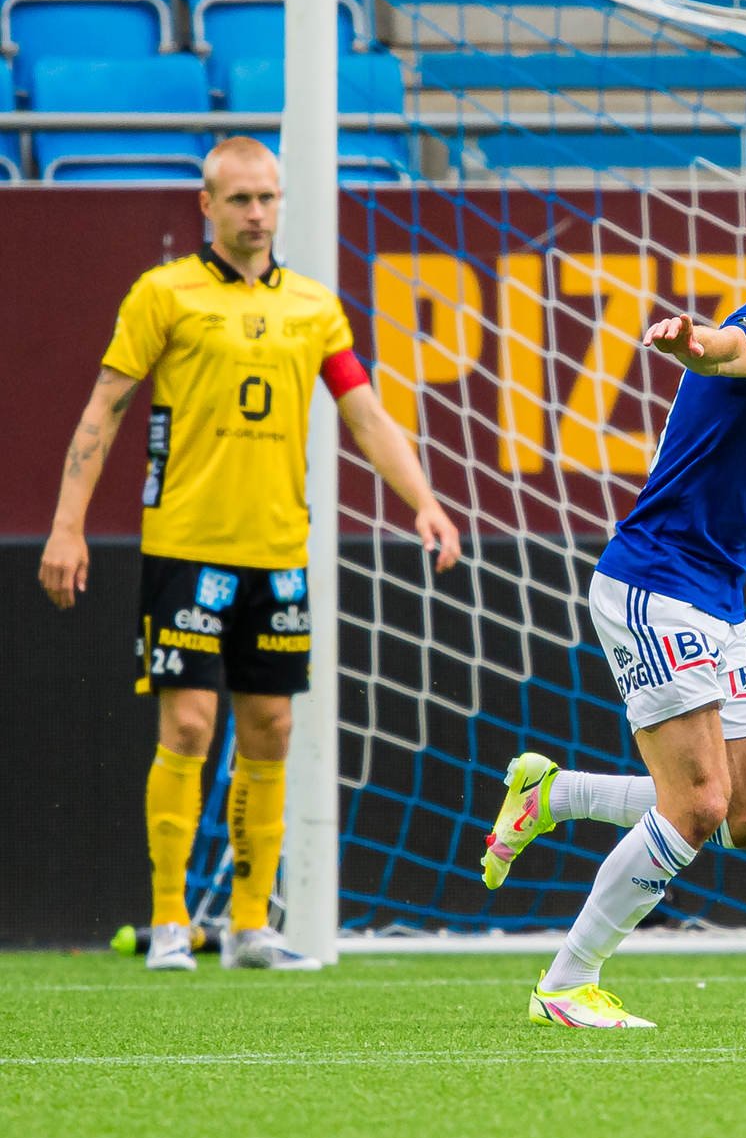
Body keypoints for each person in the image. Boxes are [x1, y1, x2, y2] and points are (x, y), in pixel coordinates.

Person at [480, 189, 746, 1028]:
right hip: (655, 587)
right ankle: (566, 983)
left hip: (714, 599)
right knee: (700, 804)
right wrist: (695, 344)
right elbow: (730, 349)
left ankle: (554, 797)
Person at [38, 136, 462, 972]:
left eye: (267, 197)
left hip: (279, 551)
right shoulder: (163, 294)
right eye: (239, 199)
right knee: (189, 724)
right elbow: (105, 406)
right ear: (207, 205)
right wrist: (66, 523)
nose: (257, 213)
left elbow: (365, 414)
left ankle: (248, 926)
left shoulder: (314, 305)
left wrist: (426, 502)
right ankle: (167, 922)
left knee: (270, 727)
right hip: (188, 545)